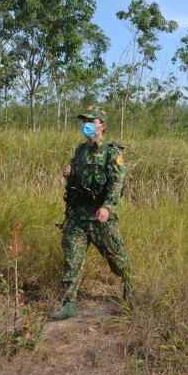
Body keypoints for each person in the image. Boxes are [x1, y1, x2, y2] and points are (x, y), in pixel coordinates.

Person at [48, 106, 134, 320]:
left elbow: (117, 182)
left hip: (100, 216)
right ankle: (68, 303)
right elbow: (76, 181)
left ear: (102, 126)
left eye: (91, 121)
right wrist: (70, 175)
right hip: (78, 214)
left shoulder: (111, 151)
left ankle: (130, 286)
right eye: (84, 121)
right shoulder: (80, 150)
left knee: (115, 257)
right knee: (72, 258)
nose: (86, 125)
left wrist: (108, 207)